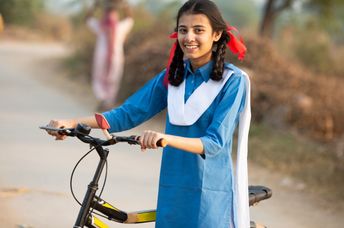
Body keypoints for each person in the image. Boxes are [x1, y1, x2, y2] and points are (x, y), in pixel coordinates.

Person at [46, 0, 251, 227]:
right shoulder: (172, 77)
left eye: (198, 30)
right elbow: (127, 114)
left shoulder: (233, 82)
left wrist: (165, 138)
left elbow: (214, 143)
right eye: (183, 30)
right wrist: (72, 123)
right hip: (172, 187)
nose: (189, 37)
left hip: (209, 191)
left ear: (216, 35)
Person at [86, 0, 134, 111]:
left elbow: (129, 19)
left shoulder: (115, 28)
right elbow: (130, 19)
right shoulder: (102, 28)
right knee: (102, 77)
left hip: (113, 58)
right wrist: (95, 5)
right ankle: (105, 101)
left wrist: (125, 5)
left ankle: (106, 102)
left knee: (112, 78)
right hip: (105, 58)